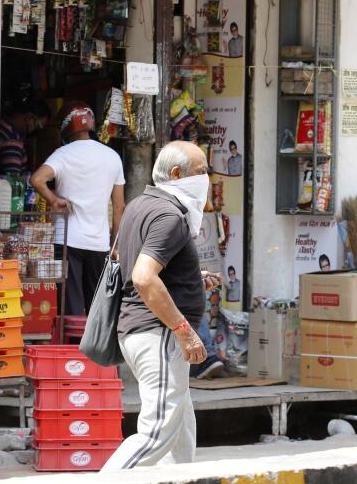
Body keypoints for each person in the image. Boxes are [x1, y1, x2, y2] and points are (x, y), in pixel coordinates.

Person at [103, 141, 220, 470]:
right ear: (177, 174)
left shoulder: (140, 205)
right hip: (158, 335)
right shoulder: (170, 215)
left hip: (142, 333)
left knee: (180, 434)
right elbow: (142, 277)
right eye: (201, 172)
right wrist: (184, 331)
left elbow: (138, 263)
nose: (206, 179)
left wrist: (191, 277)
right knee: (155, 435)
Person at [30, 103, 126, 316]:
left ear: (66, 127)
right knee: (96, 308)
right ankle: (92, 348)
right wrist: (114, 243)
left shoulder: (62, 154)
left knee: (69, 305)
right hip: (99, 242)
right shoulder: (112, 157)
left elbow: (37, 179)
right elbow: (119, 206)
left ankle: (70, 347)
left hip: (67, 240)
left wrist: (54, 200)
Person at [0, 100, 49, 176]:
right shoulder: (13, 140)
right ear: (29, 119)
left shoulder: (2, 125)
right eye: (39, 126)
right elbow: (13, 178)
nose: (36, 131)